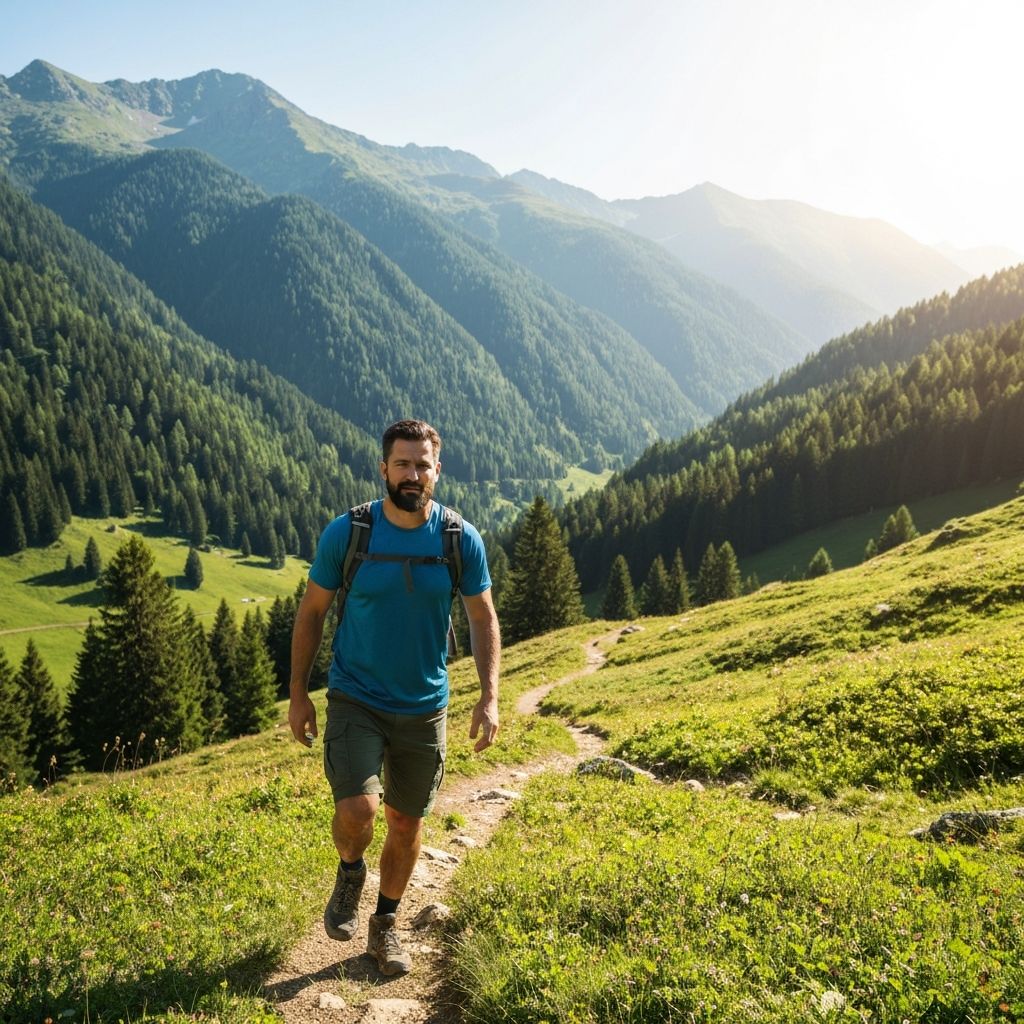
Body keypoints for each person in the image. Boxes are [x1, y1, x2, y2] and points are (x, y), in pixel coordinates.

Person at [288, 419, 500, 976]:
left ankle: (384, 926)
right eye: (402, 463)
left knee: (407, 826)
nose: (412, 474)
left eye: (422, 464)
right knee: (358, 810)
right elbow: (311, 612)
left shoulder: (459, 539)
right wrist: (298, 694)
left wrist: (489, 695)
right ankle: (350, 868)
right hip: (355, 695)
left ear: (438, 470)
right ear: (383, 469)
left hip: (424, 706)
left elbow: (482, 616)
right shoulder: (350, 533)